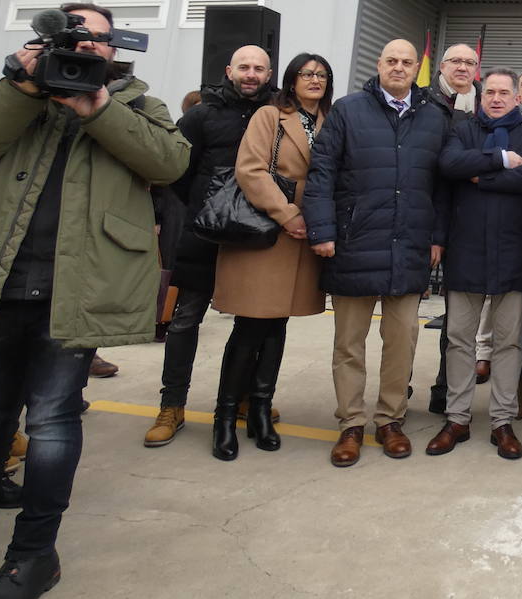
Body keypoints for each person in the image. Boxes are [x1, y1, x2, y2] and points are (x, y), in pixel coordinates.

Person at [0, 2, 189, 597]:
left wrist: (97, 107)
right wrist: (18, 88)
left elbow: (171, 162)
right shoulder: (13, 94)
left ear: (115, 50)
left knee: (51, 422)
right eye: (75, 36)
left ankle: (33, 555)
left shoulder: (135, 104)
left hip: (76, 291)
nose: (87, 48)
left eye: (100, 39)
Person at [304, 39, 451, 467]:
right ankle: (351, 423)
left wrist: (437, 237)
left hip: (410, 245)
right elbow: (322, 173)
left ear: (415, 70)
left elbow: (442, 187)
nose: (400, 68)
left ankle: (390, 420)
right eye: (392, 61)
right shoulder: (348, 111)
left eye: (407, 62)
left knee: (401, 341)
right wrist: (322, 230)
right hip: (354, 243)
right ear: (379, 65)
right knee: (349, 343)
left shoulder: (434, 116)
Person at [145, 46, 273, 447]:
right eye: (244, 67)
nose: (251, 75)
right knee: (185, 321)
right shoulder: (200, 115)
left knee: (251, 324)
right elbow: (176, 173)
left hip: (254, 237)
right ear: (229, 70)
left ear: (268, 75)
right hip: (205, 234)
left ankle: (241, 399)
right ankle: (172, 405)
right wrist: (208, 206)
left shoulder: (274, 116)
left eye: (259, 69)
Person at [209, 53, 331, 461]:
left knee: (277, 324)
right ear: (291, 80)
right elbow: (250, 170)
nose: (314, 80)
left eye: (321, 75)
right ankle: (225, 417)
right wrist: (287, 213)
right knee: (249, 325)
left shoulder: (331, 121)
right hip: (267, 229)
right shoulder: (269, 115)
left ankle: (260, 410)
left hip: (304, 234)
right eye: (305, 74)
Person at [429, 68, 522, 459]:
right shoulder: (462, 129)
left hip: (514, 251)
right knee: (459, 339)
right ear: (481, 97)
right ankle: (457, 419)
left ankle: (502, 421)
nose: (496, 98)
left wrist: (480, 177)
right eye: (490, 92)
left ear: (517, 98)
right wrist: (499, 160)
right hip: (466, 250)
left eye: (504, 93)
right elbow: (449, 165)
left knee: (509, 343)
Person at [426, 42, 480, 410]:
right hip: (426, 217)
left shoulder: (482, 107)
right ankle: (400, 391)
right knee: (404, 318)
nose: (462, 67)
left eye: (469, 62)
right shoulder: (423, 103)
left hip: (468, 221)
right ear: (442, 66)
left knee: (457, 320)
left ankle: (445, 390)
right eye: (455, 61)